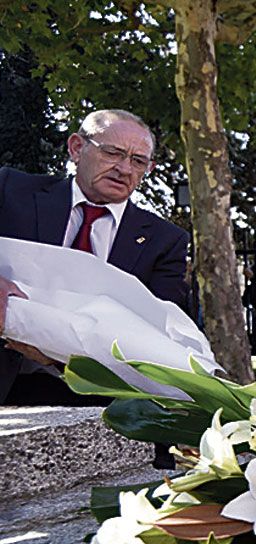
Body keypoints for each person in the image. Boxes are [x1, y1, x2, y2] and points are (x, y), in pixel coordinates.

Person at [0, 109, 189, 405]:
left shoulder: (166, 241)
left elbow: (161, 329)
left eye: (138, 161)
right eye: (113, 153)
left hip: (99, 397)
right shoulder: (11, 191)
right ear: (77, 148)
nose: (125, 169)